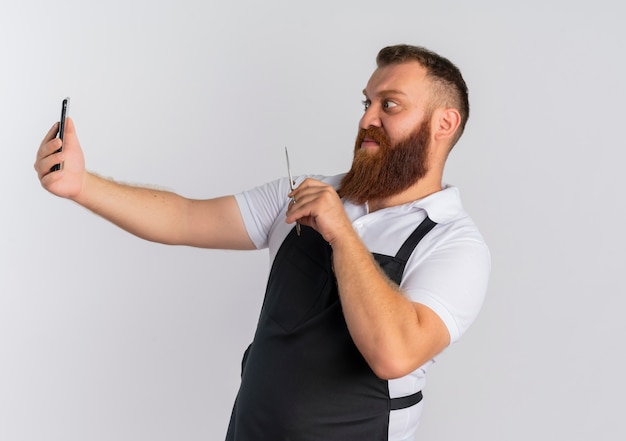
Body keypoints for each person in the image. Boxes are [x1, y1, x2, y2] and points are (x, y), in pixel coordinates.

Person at [34, 44, 490, 441]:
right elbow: (185, 218)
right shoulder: (305, 192)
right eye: (366, 102)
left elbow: (395, 353)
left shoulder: (454, 244)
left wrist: (340, 231)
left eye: (389, 105)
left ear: (443, 123)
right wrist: (81, 185)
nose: (367, 119)